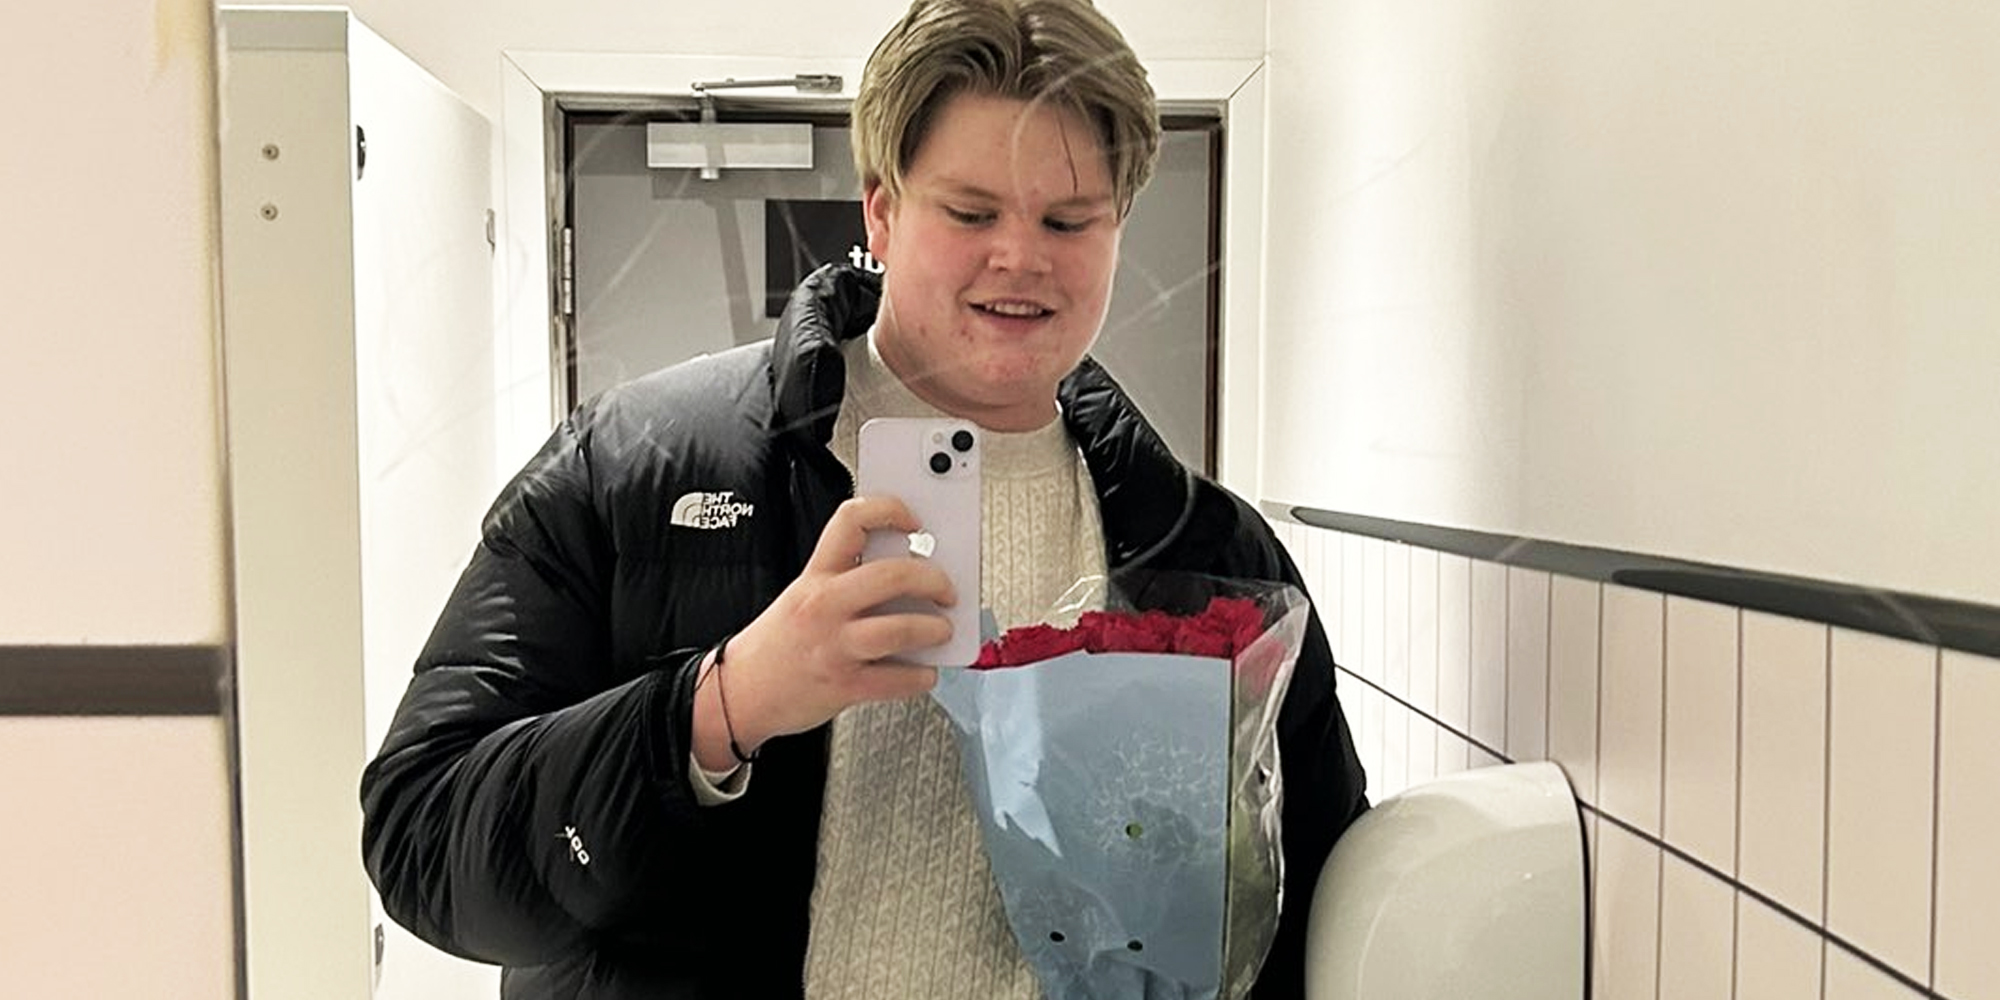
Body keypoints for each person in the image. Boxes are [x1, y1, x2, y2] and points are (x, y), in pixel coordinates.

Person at [360, 0, 1368, 997]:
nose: (1019, 256)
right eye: (970, 212)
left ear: (1116, 227)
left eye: (1067, 218)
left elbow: (1315, 911)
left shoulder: (1214, 556)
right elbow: (420, 841)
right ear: (879, 211)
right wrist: (725, 701)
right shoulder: (633, 466)